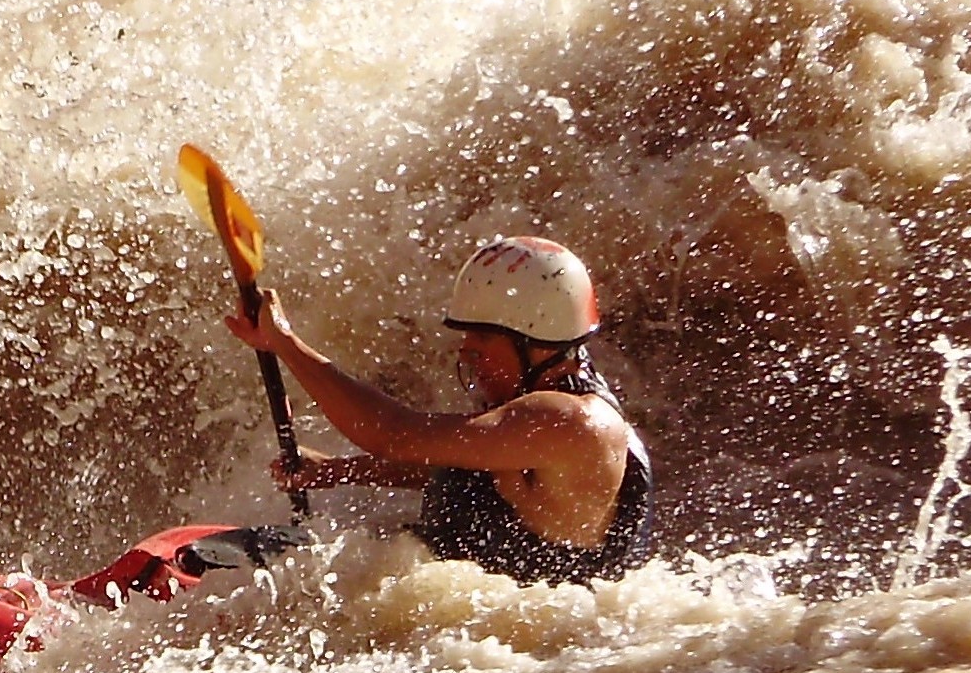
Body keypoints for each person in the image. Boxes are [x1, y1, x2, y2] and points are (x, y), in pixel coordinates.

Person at [225, 236, 652, 585]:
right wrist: (343, 470)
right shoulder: (539, 414)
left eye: (481, 341)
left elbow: (394, 434)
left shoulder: (575, 423)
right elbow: (464, 467)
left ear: (535, 341)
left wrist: (284, 341)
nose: (466, 352)